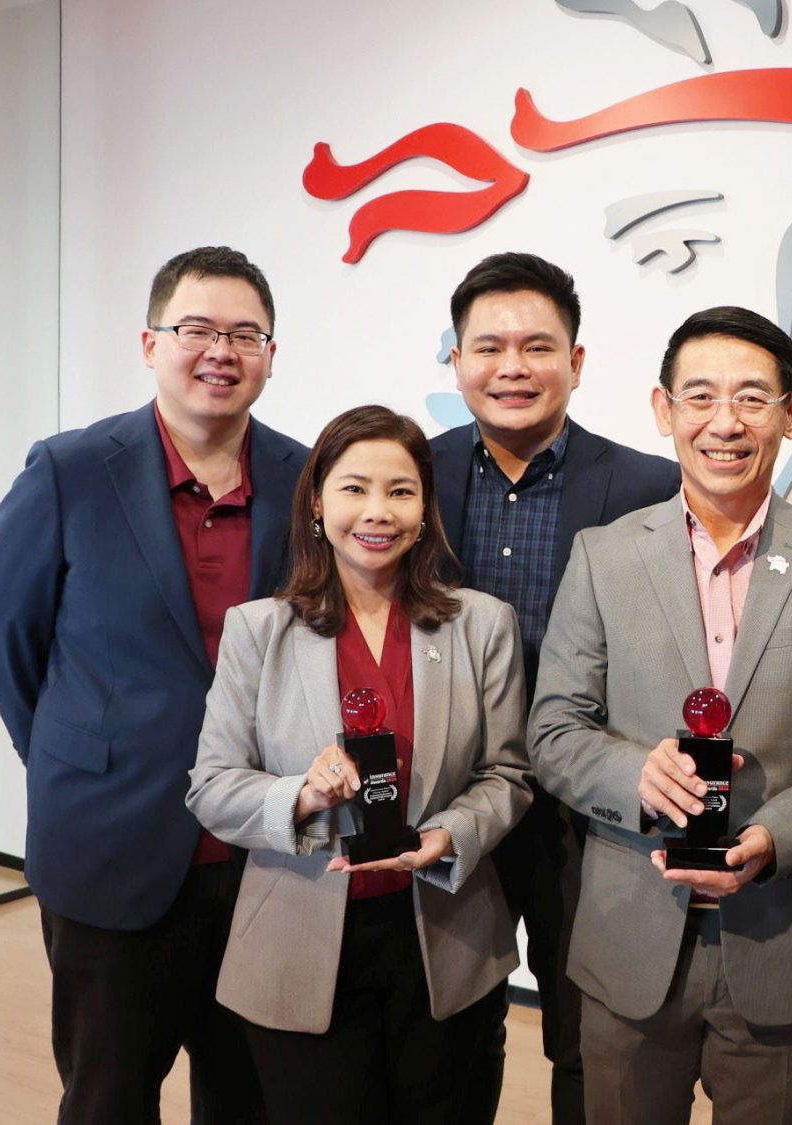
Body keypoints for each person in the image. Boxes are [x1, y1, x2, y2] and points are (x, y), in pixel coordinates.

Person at [530, 305, 792, 1125]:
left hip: (780, 938)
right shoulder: (604, 555)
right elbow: (554, 730)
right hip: (630, 936)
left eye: (752, 398)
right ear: (663, 410)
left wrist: (775, 836)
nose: (725, 422)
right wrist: (635, 774)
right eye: (699, 397)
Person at [0, 245, 304, 1123]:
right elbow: (7, 638)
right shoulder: (69, 470)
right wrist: (77, 752)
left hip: (260, 856)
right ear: (150, 342)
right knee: (108, 1097)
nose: (220, 351)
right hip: (109, 842)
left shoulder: (305, 477)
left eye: (245, 334)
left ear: (272, 355)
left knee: (248, 1099)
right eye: (196, 329)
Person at [187, 405, 532, 1123]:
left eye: (401, 491)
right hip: (302, 934)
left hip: (444, 932)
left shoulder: (480, 623)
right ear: (317, 503)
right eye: (354, 488)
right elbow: (212, 787)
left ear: (425, 509)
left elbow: (508, 774)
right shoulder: (259, 630)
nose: (378, 511)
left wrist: (452, 833)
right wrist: (302, 795)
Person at [429, 251, 681, 1124]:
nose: (513, 367)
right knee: (451, 1023)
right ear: (456, 360)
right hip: (452, 798)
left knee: (588, 1034)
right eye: (489, 346)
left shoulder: (648, 484)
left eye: (537, 347)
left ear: (575, 361)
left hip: (587, 811)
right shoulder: (413, 475)